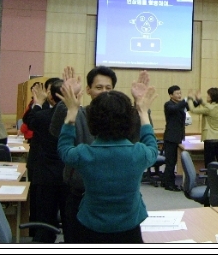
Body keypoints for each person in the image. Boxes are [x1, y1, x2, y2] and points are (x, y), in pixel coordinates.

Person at [57, 74, 158, 243]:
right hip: (129, 227)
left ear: (91, 121)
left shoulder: (83, 154)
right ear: (129, 120)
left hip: (91, 228)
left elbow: (64, 148)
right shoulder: (139, 153)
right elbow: (152, 145)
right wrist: (142, 112)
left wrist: (72, 112)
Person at [49, 65, 120, 243]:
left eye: (108, 88)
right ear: (88, 90)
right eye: (99, 87)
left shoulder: (121, 119)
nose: (104, 92)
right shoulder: (80, 114)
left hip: (112, 197)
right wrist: (68, 102)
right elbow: (56, 130)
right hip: (79, 194)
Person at [23, 79, 67, 243]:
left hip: (46, 174)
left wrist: (37, 103)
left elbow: (29, 120)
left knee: (44, 219)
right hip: (68, 174)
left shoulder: (42, 116)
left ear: (51, 97)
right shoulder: (79, 115)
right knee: (70, 220)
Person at [187, 87, 218, 167]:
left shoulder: (208, 108)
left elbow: (193, 110)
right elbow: (208, 106)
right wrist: (200, 100)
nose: (207, 96)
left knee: (209, 164)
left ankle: (209, 175)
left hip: (210, 139)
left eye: (208, 95)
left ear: (211, 97)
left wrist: (189, 99)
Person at [161, 85, 188, 191]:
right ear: (171, 95)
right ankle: (169, 184)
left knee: (173, 161)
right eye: (177, 93)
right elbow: (175, 108)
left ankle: (165, 181)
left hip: (178, 136)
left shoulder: (180, 104)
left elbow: (191, 106)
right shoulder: (168, 105)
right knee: (170, 162)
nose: (179, 95)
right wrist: (185, 100)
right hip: (170, 137)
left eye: (180, 93)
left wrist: (196, 99)